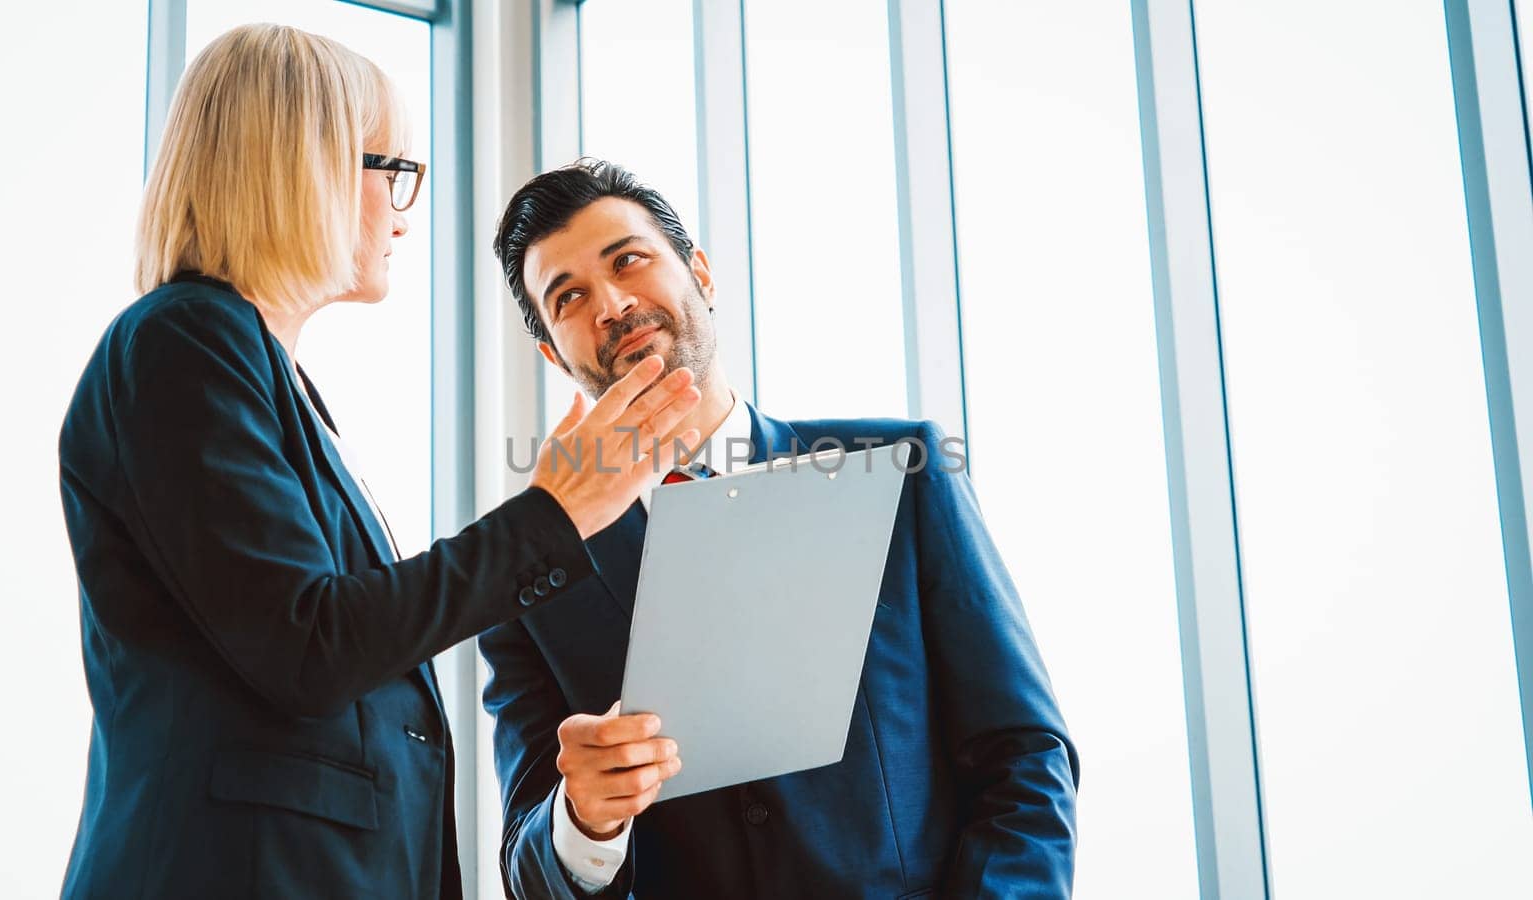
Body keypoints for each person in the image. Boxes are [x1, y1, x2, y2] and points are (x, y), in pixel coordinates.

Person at [57, 29, 700, 900]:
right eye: (390, 169)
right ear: (304, 167)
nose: (404, 209)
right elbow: (310, 643)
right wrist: (554, 514)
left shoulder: (263, 375)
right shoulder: (184, 340)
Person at [481, 158, 1079, 899]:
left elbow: (1022, 756)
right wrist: (584, 823)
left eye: (628, 260)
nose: (609, 304)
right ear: (552, 352)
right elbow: (528, 871)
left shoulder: (900, 474)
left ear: (700, 273)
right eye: (568, 297)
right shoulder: (528, 577)